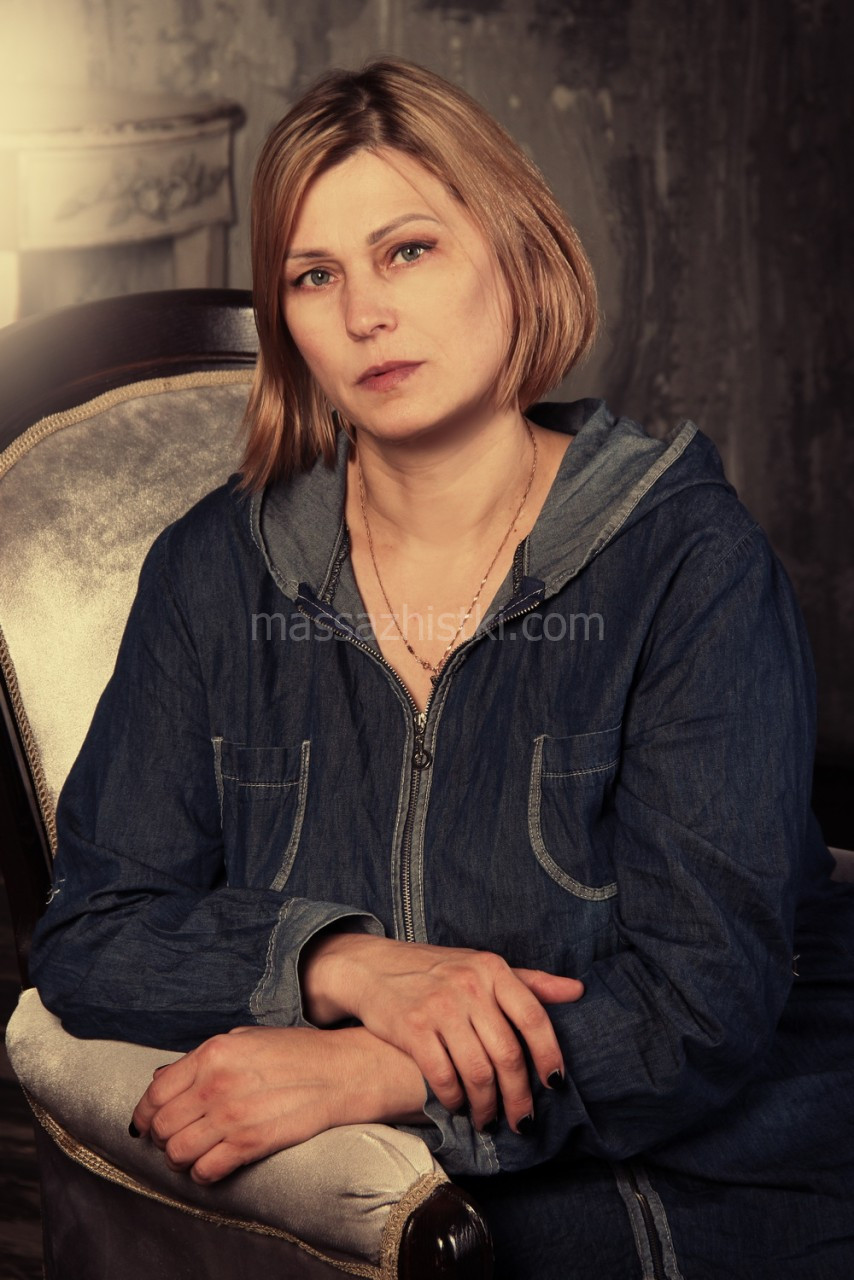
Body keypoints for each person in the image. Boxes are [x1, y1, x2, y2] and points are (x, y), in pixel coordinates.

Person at [29, 58, 854, 1279]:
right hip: (381, 1209)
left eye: (407, 250)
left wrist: (378, 1066)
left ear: (515, 254)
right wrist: (338, 961)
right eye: (314, 275)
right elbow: (95, 931)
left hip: (723, 1178)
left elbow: (699, 1002)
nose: (364, 312)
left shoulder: (685, 560)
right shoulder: (213, 572)